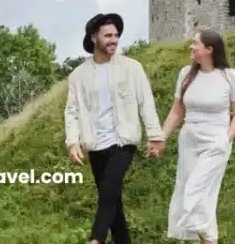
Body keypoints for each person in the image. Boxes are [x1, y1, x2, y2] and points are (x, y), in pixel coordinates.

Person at [65, 13, 164, 244]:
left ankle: (96, 239)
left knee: (109, 188)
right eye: (108, 35)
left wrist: (155, 136)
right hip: (95, 144)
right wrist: (73, 142)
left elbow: (146, 103)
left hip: (123, 141)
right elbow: (72, 111)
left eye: (116, 35)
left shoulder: (132, 68)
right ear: (94, 38)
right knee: (113, 204)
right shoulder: (78, 75)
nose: (114, 40)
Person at [161, 29, 235, 243]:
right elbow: (176, 112)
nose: (191, 47)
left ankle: (207, 237)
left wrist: (226, 139)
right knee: (195, 195)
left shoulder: (229, 76)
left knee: (196, 190)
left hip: (216, 141)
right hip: (190, 140)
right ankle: (208, 240)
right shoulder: (186, 74)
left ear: (209, 49)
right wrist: (160, 138)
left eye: (195, 43)